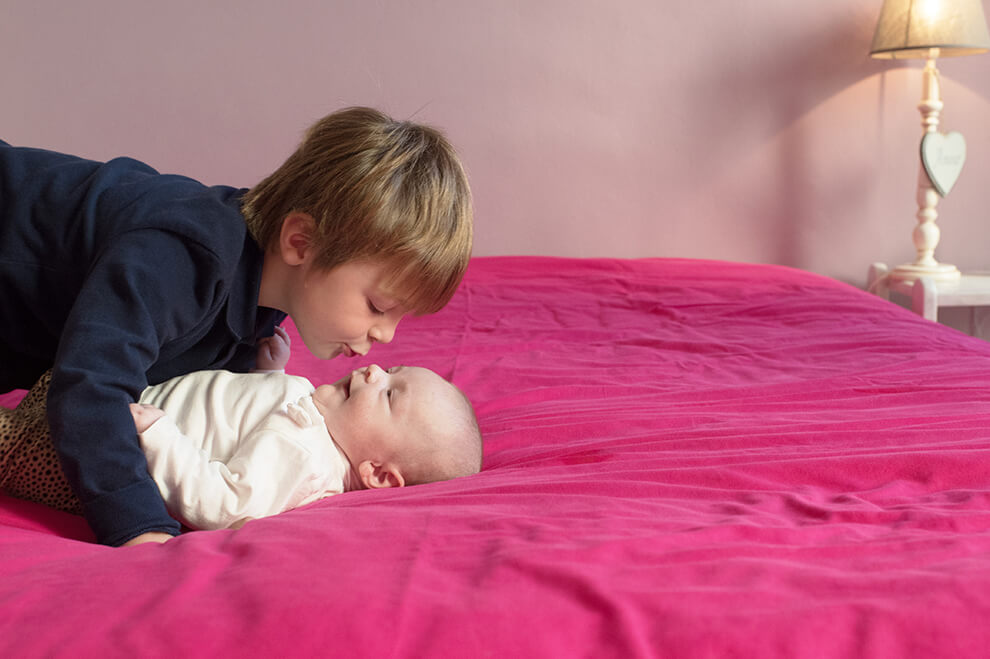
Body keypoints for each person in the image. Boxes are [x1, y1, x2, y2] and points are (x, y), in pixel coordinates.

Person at [0, 106, 473, 546]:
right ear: (300, 242)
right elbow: (90, 387)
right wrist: (140, 525)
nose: (386, 335)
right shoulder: (181, 259)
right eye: (377, 304)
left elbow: (187, 384)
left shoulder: (263, 307)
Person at [0, 360, 482, 532]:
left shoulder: (307, 456)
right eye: (393, 368)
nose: (375, 372)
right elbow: (243, 420)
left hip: (101, 457)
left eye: (390, 394)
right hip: (111, 408)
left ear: (377, 472)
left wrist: (158, 435)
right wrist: (267, 370)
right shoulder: (319, 421)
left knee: (12, 445)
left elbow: (225, 503)